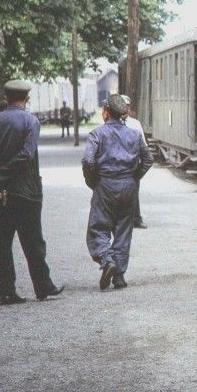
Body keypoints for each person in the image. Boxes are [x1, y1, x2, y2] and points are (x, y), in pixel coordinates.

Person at [0, 80, 64, 306]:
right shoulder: (30, 121)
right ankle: (43, 286)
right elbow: (26, 155)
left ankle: (7, 292)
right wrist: (4, 173)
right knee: (33, 241)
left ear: (6, 96)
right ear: (26, 98)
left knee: (2, 244)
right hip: (26, 192)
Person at [83, 94, 153, 290]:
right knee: (123, 231)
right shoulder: (135, 135)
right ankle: (119, 277)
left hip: (105, 185)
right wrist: (134, 177)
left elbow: (88, 161)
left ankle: (107, 261)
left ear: (106, 113)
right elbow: (148, 160)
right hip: (128, 186)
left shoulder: (97, 134)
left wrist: (93, 181)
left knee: (98, 227)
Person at [121, 94, 149, 229]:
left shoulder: (135, 124)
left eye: (127, 106)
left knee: (133, 193)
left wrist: (140, 171)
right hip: (117, 165)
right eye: (122, 106)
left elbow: (144, 146)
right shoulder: (110, 124)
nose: (125, 109)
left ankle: (136, 219)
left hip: (132, 165)